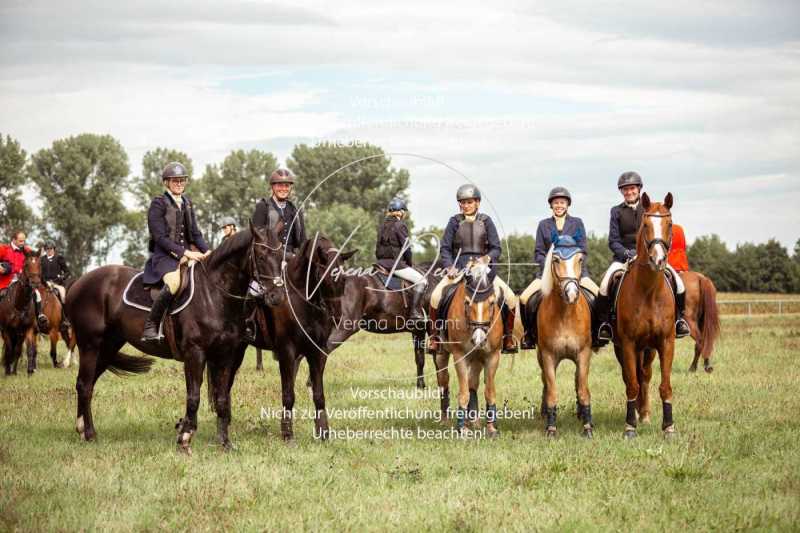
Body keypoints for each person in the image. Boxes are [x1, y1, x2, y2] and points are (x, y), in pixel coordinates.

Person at [594, 172, 690, 341]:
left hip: (650, 257)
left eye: (632, 188)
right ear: (621, 192)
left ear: (639, 189)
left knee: (679, 283)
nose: (629, 192)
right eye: (625, 189)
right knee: (604, 285)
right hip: (623, 258)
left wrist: (647, 253)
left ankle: (680, 320)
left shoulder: (650, 209)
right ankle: (605, 324)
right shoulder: (616, 211)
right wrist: (625, 253)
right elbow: (613, 241)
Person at [427, 184, 518, 354]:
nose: (466, 205)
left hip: (483, 270)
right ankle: (434, 338)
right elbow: (445, 248)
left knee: (511, 298)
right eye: (463, 202)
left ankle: (508, 338)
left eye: (469, 202)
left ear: (477, 203)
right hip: (459, 269)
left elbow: (496, 248)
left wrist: (486, 258)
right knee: (435, 296)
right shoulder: (454, 221)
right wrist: (449, 266)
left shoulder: (486, 221)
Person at [518, 187, 600, 348]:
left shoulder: (577, 223)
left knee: (598, 296)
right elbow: (539, 252)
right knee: (524, 298)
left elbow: (583, 249)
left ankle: (597, 333)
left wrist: (575, 267)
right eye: (556, 203)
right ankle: (529, 334)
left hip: (576, 274)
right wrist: (548, 267)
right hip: (547, 275)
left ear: (567, 204)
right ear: (551, 205)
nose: (559, 205)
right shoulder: (543, 225)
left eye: (562, 202)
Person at [140, 162, 209, 342]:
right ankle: (151, 325)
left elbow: (195, 233)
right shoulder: (158, 203)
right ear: (166, 183)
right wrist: (185, 252)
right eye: (174, 180)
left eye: (182, 180)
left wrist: (208, 251)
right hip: (164, 257)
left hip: (187, 255)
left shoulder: (187, 203)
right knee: (174, 283)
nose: (179, 183)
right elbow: (159, 238)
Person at [375, 197, 427, 321]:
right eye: (404, 212)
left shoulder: (382, 226)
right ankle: (414, 312)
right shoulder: (400, 225)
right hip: (396, 265)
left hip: (380, 264)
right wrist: (408, 264)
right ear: (401, 212)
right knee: (422, 281)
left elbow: (377, 248)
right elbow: (406, 248)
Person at [0, 231, 48, 330]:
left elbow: (35, 258)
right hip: (7, 281)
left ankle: (39, 316)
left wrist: (41, 252)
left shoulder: (27, 250)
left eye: (24, 241)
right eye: (20, 241)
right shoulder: (4, 249)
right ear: (14, 240)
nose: (23, 243)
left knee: (37, 294)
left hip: (23, 281)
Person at [253, 168, 306, 252]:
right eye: (280, 185)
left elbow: (303, 241)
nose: (283, 189)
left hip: (293, 258)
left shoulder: (296, 210)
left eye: (286, 186)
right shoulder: (262, 206)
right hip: (269, 257)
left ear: (290, 188)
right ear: (273, 186)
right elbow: (256, 238)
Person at [41, 241, 71, 327]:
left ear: (54, 249)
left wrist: (61, 278)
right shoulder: (42, 259)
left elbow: (67, 272)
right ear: (45, 250)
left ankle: (65, 318)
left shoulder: (59, 258)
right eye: (47, 249)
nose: (49, 251)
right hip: (45, 284)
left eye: (51, 249)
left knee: (63, 296)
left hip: (57, 284)